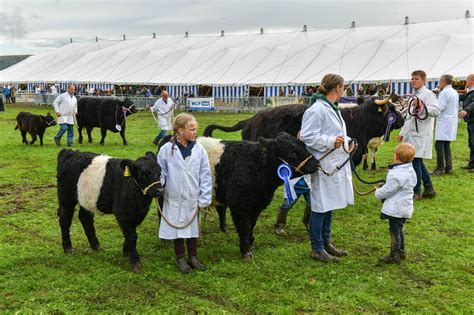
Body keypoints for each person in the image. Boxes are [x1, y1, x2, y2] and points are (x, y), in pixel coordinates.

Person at [300, 73, 354, 263]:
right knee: (320, 204)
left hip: (335, 163)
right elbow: (307, 136)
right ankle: (316, 247)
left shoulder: (333, 108)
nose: (344, 90)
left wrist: (347, 142)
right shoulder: (317, 110)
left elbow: (336, 134)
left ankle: (326, 242)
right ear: (338, 87)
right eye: (343, 87)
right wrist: (331, 141)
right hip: (323, 164)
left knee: (330, 202)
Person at [157, 113, 212, 273]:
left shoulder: (199, 150)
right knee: (177, 229)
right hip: (173, 197)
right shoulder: (166, 150)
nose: (195, 132)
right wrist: (158, 187)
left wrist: (204, 198)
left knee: (193, 228)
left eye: (196, 129)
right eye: (192, 129)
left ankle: (193, 257)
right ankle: (180, 258)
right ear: (180, 130)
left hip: (192, 198)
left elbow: (206, 175)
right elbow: (161, 173)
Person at [398, 70, 440, 200]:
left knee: (416, 161)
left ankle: (416, 192)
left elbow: (436, 111)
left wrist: (422, 105)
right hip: (412, 133)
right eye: (412, 79)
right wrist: (402, 132)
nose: (413, 81)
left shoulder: (428, 94)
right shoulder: (414, 95)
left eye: (416, 78)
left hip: (421, 133)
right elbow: (409, 116)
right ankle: (429, 188)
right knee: (417, 161)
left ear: (423, 81)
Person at [375, 143, 417, 264]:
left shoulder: (396, 175)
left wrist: (378, 192)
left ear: (396, 156)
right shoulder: (410, 170)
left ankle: (395, 255)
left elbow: (388, 190)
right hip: (405, 207)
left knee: (394, 231)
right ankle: (401, 251)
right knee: (399, 229)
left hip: (396, 209)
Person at [433, 74, 459, 175]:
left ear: (444, 81)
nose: (439, 84)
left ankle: (440, 168)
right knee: (446, 145)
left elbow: (440, 107)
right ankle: (449, 166)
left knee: (439, 144)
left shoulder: (444, 93)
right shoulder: (454, 92)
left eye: (440, 81)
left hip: (444, 121)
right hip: (451, 120)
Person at [458, 73, 474, 171]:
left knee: (473, 143)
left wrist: (466, 110)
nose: (466, 82)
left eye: (467, 80)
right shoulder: (469, 91)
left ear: (472, 81)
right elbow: (459, 97)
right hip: (471, 121)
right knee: (471, 143)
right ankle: (472, 164)